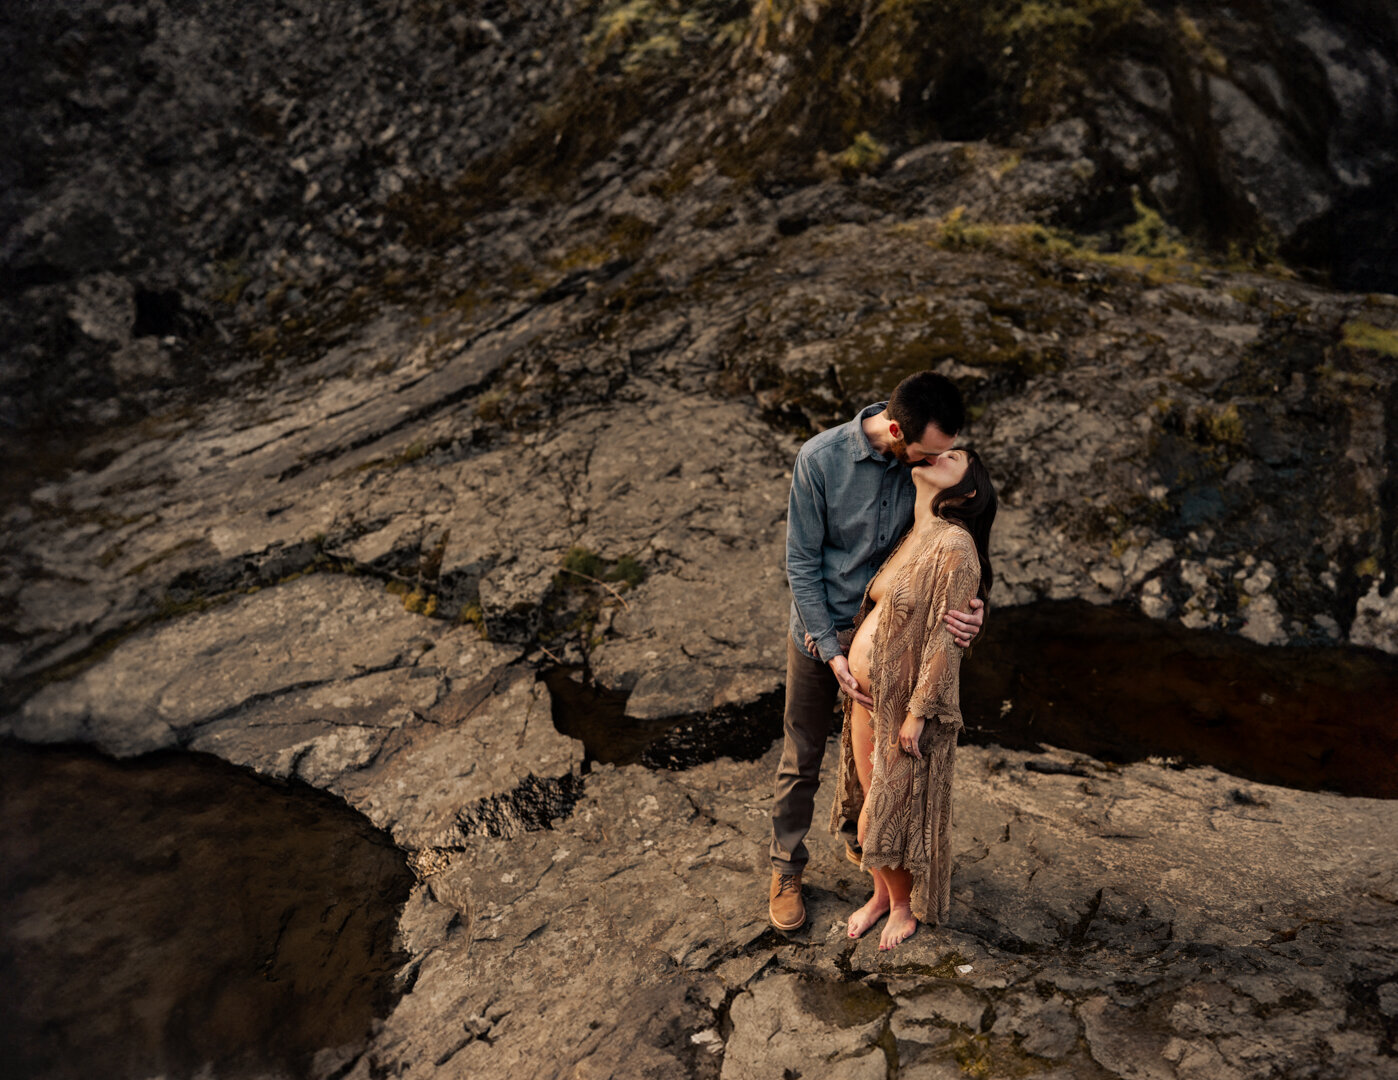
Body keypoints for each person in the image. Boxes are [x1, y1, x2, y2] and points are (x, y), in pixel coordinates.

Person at [769, 372, 984, 932]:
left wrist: (976, 610)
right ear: (894, 431)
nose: (933, 462)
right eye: (926, 453)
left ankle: (865, 845)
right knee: (802, 756)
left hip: (891, 650)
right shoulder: (820, 460)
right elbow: (801, 563)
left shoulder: (924, 475)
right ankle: (786, 868)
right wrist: (830, 650)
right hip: (820, 635)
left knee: (871, 760)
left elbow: (955, 548)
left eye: (942, 452)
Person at [832, 446, 996, 949]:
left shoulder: (956, 545)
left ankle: (903, 907)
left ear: (967, 491)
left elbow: (948, 638)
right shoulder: (913, 533)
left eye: (953, 457)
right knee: (871, 802)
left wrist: (921, 711)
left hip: (904, 704)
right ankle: (882, 895)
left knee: (889, 809)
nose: (938, 455)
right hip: (867, 699)